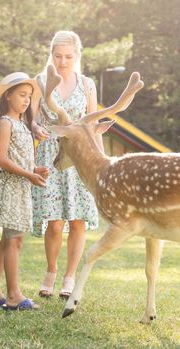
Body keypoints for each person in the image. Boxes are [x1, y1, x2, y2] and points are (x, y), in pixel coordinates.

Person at [31, 31, 102, 299]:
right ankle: (51, 271)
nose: (62, 61)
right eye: (58, 56)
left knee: (78, 221)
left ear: (77, 55)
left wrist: (101, 164)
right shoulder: (39, 82)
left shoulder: (87, 84)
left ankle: (70, 277)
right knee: (56, 222)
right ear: (51, 54)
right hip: (50, 153)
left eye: (68, 57)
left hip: (79, 156)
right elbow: (31, 119)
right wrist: (36, 128)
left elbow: (93, 126)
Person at [0, 72, 49, 310]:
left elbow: (18, 157)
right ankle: (13, 295)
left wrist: (34, 169)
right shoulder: (5, 123)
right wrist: (28, 174)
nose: (26, 101)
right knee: (14, 241)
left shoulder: (22, 124)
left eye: (29, 97)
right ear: (7, 96)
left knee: (9, 239)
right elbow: (1, 158)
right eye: (22, 95)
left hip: (21, 186)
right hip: (11, 187)